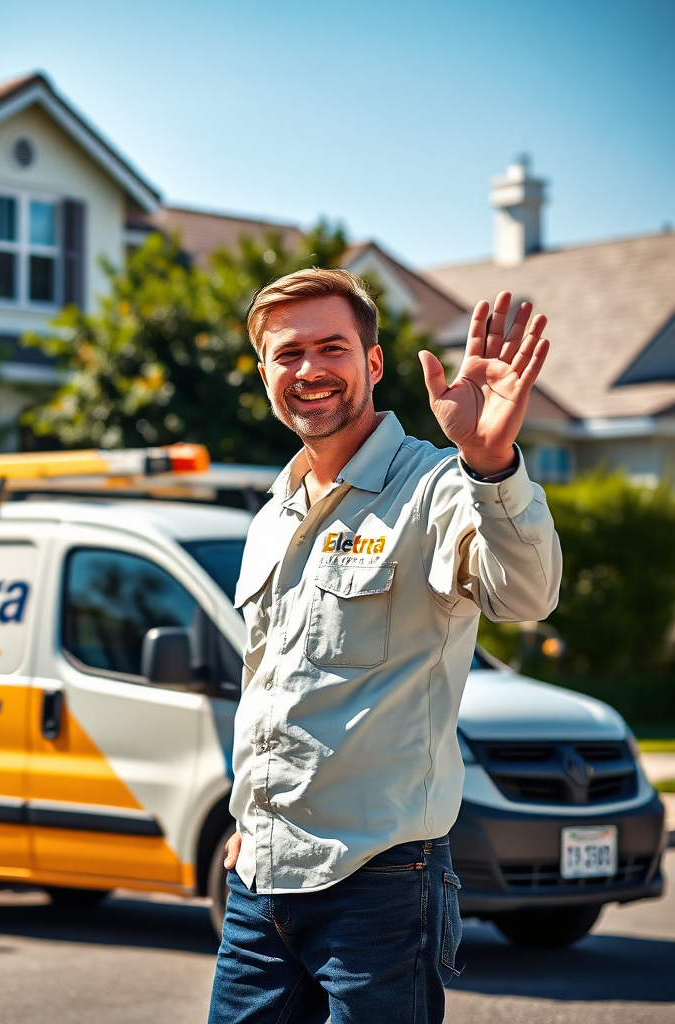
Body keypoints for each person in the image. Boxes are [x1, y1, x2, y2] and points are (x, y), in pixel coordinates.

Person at [208, 269, 561, 1024]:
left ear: (372, 364)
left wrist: (492, 465)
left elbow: (525, 596)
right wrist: (245, 826)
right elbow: (272, 690)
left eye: (331, 347)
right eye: (287, 353)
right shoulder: (272, 515)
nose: (309, 370)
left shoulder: (437, 488)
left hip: (378, 884)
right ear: (265, 374)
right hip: (257, 885)